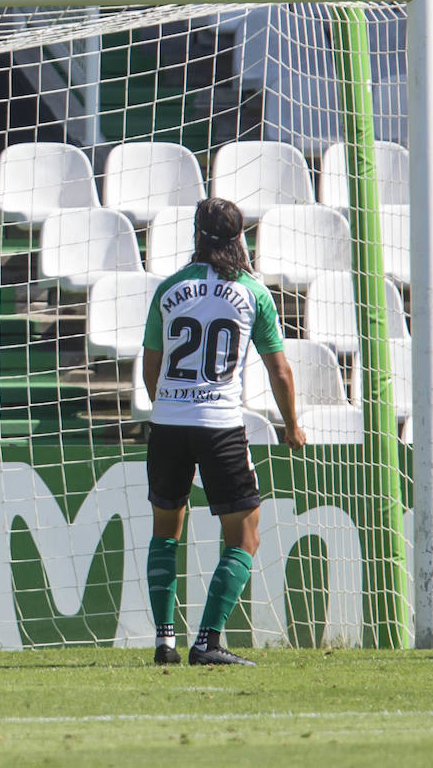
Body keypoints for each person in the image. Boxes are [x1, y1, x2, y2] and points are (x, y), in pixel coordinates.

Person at [141, 196, 307, 668]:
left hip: (169, 424)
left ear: (197, 235)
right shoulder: (253, 293)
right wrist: (292, 426)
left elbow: (151, 366)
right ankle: (208, 642)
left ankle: (164, 641)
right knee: (245, 535)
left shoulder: (169, 289)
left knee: (165, 532)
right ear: (240, 238)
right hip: (219, 425)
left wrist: (171, 407)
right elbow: (280, 371)